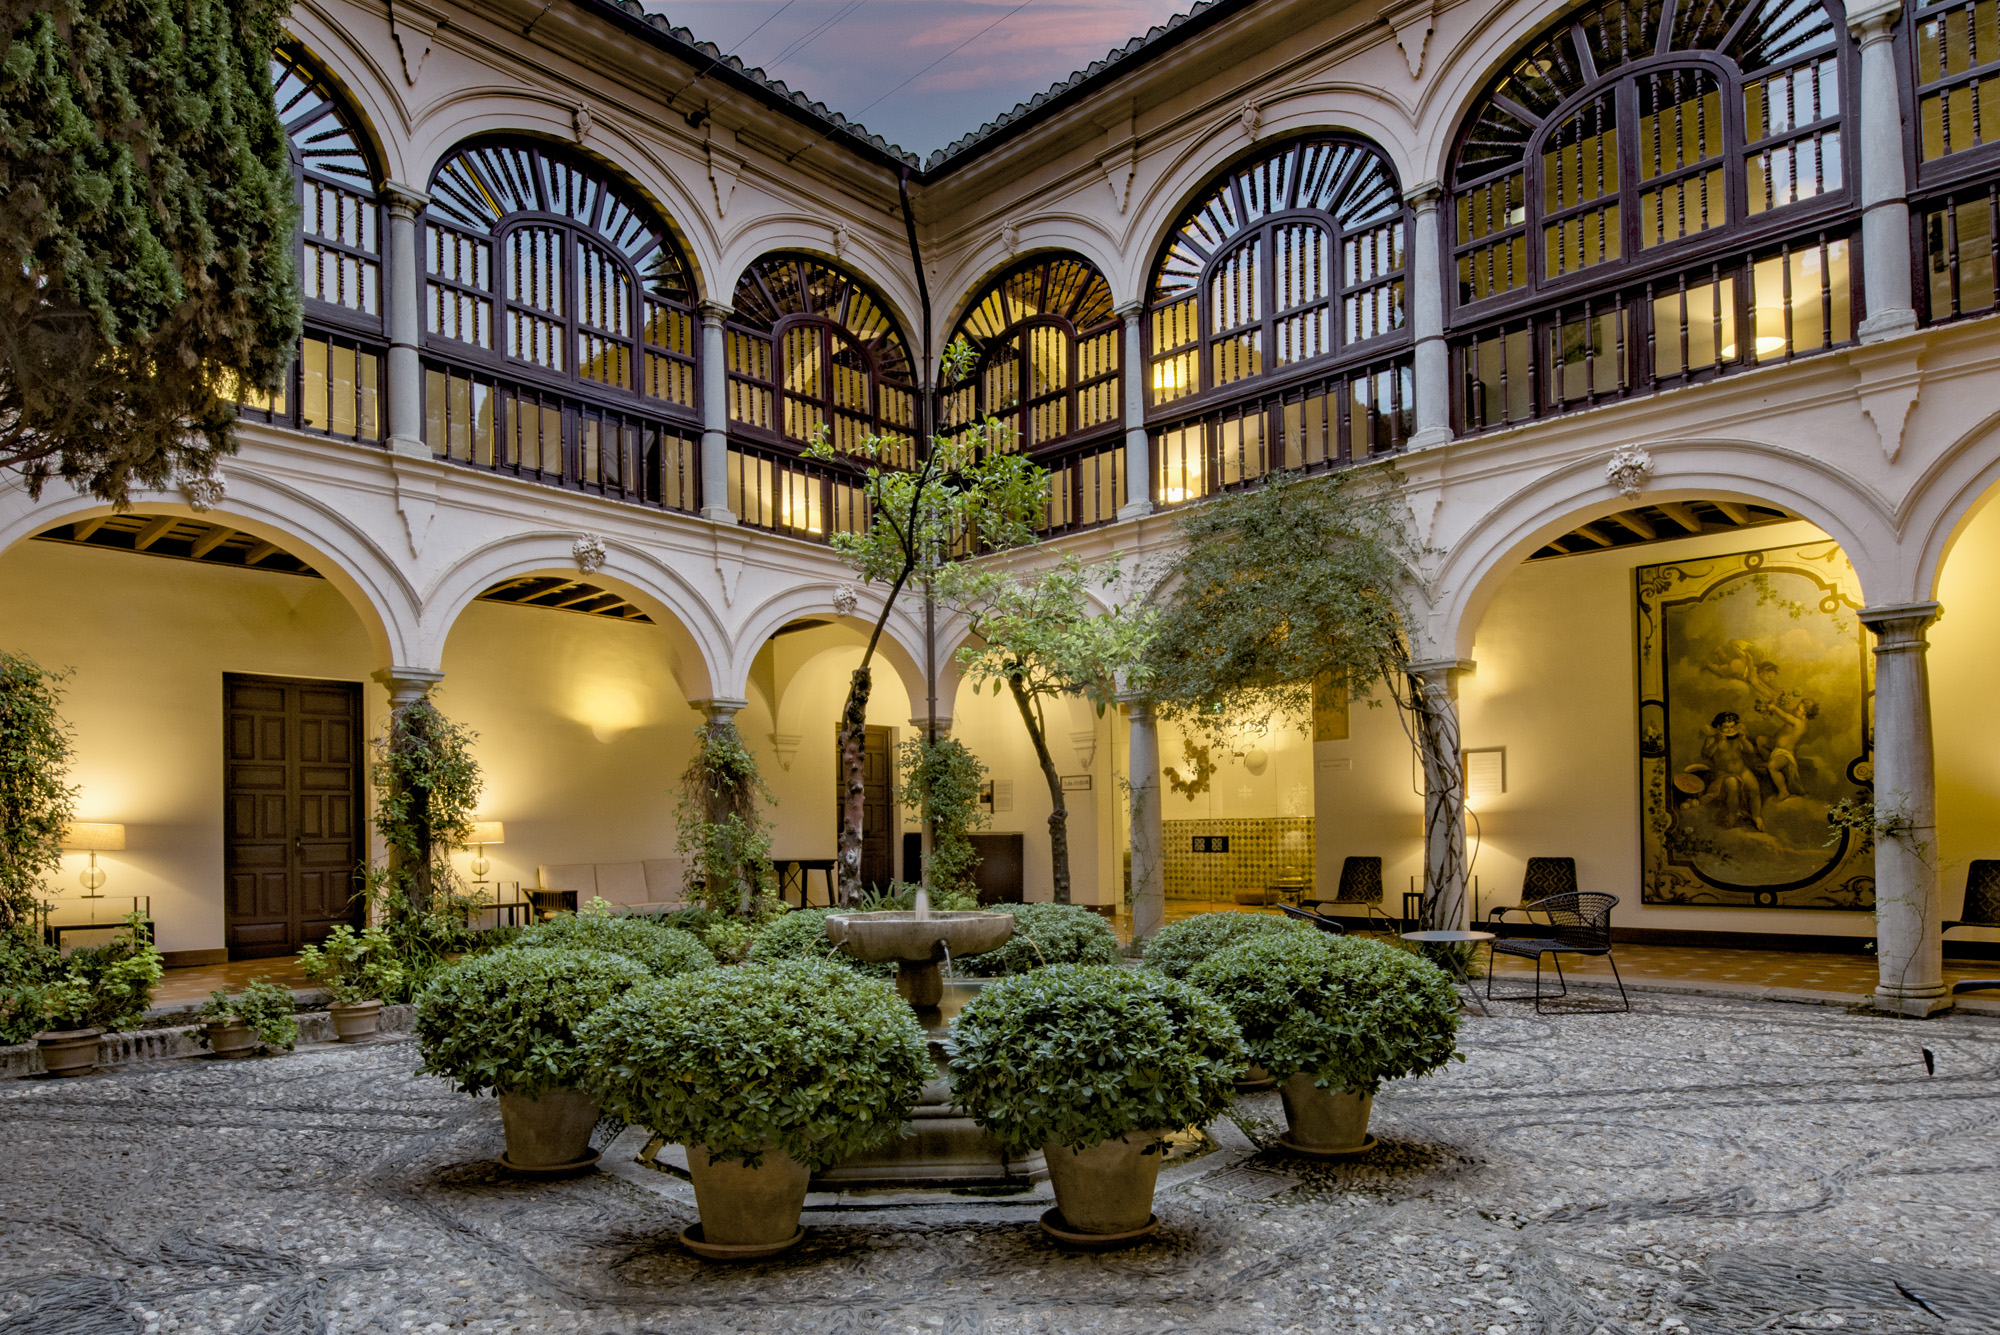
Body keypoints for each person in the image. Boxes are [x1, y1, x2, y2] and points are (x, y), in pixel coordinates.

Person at [1699, 711, 1765, 831]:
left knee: (1754, 786)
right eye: (1726, 727)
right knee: (1732, 786)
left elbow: (1750, 751)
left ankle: (1757, 816)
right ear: (1719, 727)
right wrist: (1717, 742)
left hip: (1741, 770)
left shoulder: (1738, 737)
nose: (1729, 730)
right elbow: (1706, 755)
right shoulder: (1712, 739)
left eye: (1732, 727)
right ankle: (1732, 815)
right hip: (1724, 773)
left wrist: (1744, 740)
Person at [1764, 692, 1819, 802]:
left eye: (1798, 708)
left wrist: (1774, 708)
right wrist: (1776, 703)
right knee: (1761, 740)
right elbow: (1787, 711)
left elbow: (1784, 716)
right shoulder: (1797, 718)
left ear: (1805, 713)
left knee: (1772, 767)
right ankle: (1768, 759)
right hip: (1776, 748)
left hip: (1784, 753)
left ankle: (1783, 792)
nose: (1795, 708)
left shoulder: (1800, 724)